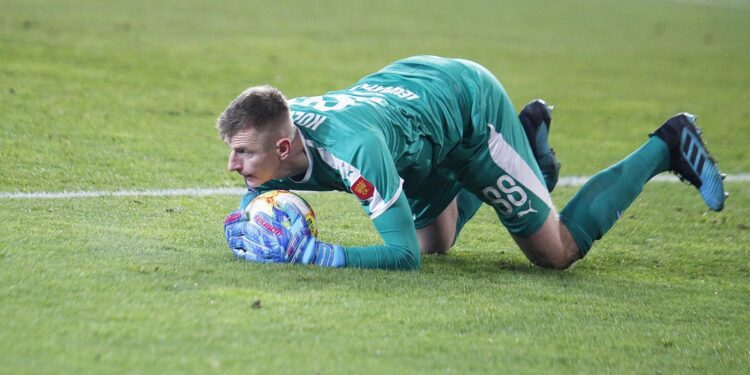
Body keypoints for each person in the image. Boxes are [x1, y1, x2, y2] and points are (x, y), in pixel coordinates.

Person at [219, 55, 727, 270]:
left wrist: (320, 255)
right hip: (412, 122)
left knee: (554, 254)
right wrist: (248, 219)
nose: (232, 164)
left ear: (283, 149)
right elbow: (260, 189)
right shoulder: (283, 128)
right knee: (435, 241)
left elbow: (402, 260)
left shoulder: (356, 153)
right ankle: (529, 149)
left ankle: (668, 142)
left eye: (243, 153)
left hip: (466, 112)